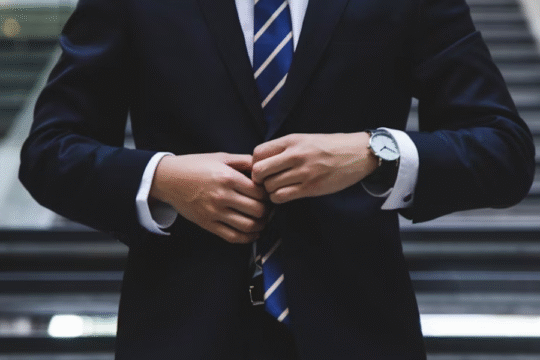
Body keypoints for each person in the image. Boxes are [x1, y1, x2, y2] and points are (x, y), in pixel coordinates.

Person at [19, 0, 535, 359]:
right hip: (180, 331)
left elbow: (504, 150)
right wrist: (163, 178)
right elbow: (49, 152)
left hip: (359, 331)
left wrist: (375, 151)